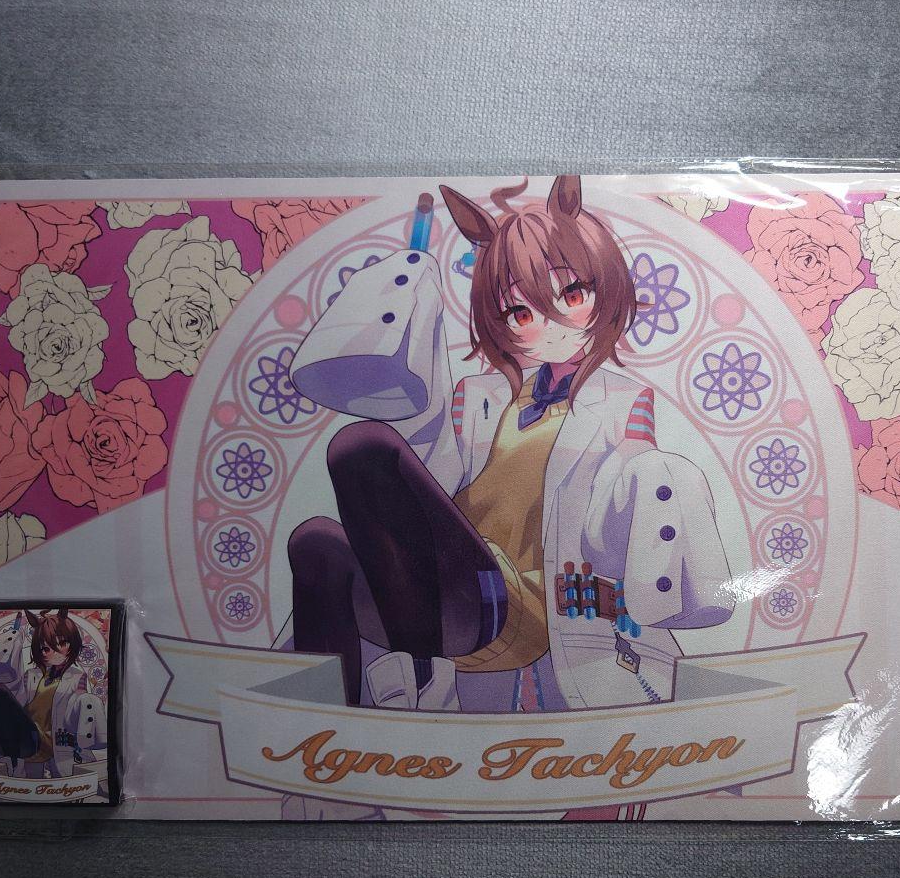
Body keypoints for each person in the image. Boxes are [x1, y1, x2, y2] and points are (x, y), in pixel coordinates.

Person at [286, 176, 733, 713]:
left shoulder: (621, 400)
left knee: (365, 447)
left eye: (571, 295)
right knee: (316, 541)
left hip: (514, 605)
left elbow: (626, 494)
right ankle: (313, 709)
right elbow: (428, 487)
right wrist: (409, 325)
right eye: (521, 314)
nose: (550, 325)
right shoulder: (477, 396)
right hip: (442, 592)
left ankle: (411, 657)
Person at [0, 609, 106, 778]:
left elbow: (78, 699)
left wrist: (86, 704)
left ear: (71, 644)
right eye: (44, 648)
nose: (49, 652)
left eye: (60, 643)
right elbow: (16, 700)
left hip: (55, 743)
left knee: (87, 699)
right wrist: (12, 650)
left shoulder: (76, 676)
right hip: (28, 740)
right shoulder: (31, 675)